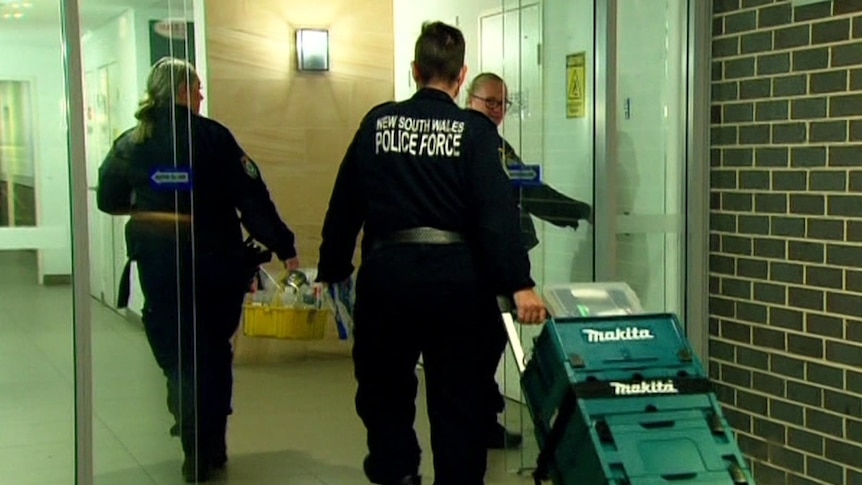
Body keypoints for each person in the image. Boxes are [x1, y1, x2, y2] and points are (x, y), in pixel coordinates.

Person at [317, 21, 546, 485]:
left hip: (388, 278)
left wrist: (333, 269)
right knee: (460, 398)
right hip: (459, 284)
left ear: (415, 69)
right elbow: (495, 215)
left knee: (384, 391)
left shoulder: (377, 123)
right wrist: (518, 283)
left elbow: (344, 205)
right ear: (461, 77)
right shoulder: (475, 132)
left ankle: (397, 471)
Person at [97, 57, 299, 483]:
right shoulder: (213, 138)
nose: (203, 96)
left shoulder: (131, 142)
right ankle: (212, 441)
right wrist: (284, 246)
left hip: (159, 266)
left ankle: (190, 432)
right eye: (199, 88)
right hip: (216, 266)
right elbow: (252, 199)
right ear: (185, 92)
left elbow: (107, 197)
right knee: (213, 349)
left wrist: (146, 208)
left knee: (176, 354)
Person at [465, 72, 593, 449]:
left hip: (503, 264)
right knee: (476, 350)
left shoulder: (499, 147)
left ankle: (483, 421)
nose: (498, 111)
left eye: (503, 104)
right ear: (468, 98)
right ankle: (476, 423)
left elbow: (530, 191)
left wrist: (578, 211)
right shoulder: (473, 144)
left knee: (489, 347)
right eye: (490, 102)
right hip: (476, 267)